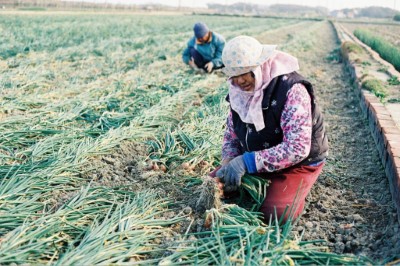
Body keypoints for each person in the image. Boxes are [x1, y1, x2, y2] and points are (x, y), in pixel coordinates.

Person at [213, 36, 328, 223]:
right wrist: (229, 161)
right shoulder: (237, 91)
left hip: (298, 163)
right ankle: (261, 179)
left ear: (260, 64)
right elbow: (231, 135)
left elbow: (297, 148)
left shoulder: (292, 90)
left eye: (247, 72)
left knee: (275, 213)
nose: (240, 80)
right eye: (234, 74)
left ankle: (296, 184)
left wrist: (246, 162)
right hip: (256, 156)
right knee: (214, 184)